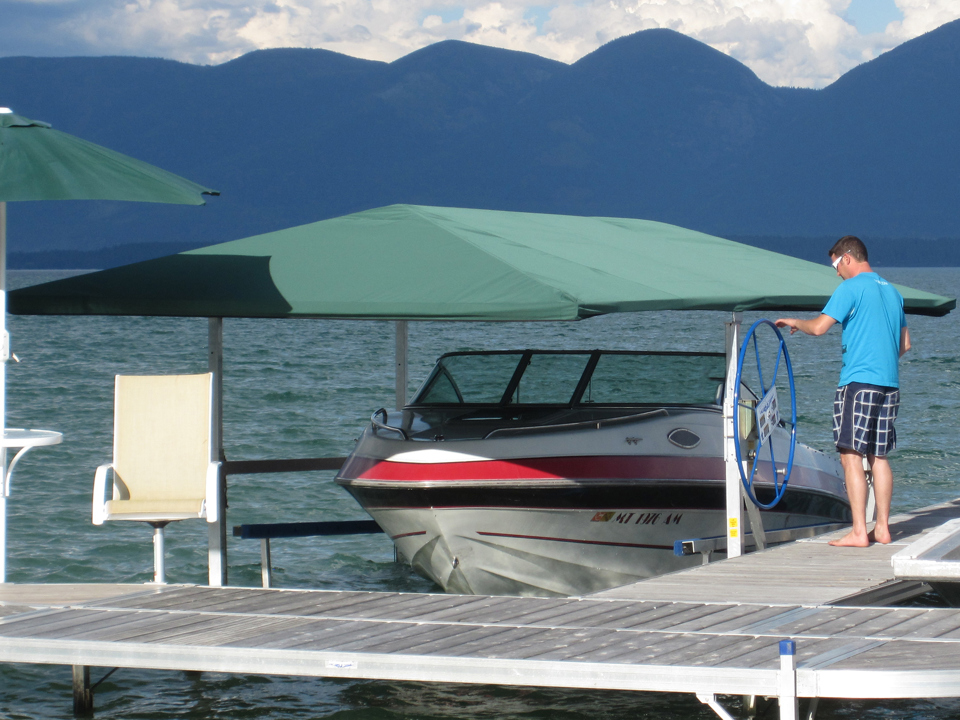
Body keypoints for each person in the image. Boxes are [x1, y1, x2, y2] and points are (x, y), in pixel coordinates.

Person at [775, 236, 910, 547]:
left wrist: (795, 321)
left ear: (847, 258)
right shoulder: (893, 292)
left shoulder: (850, 288)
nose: (836, 272)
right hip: (890, 383)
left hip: (859, 382)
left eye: (836, 264)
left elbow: (819, 327)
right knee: (879, 456)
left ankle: (859, 531)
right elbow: (904, 344)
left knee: (851, 455)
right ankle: (883, 528)